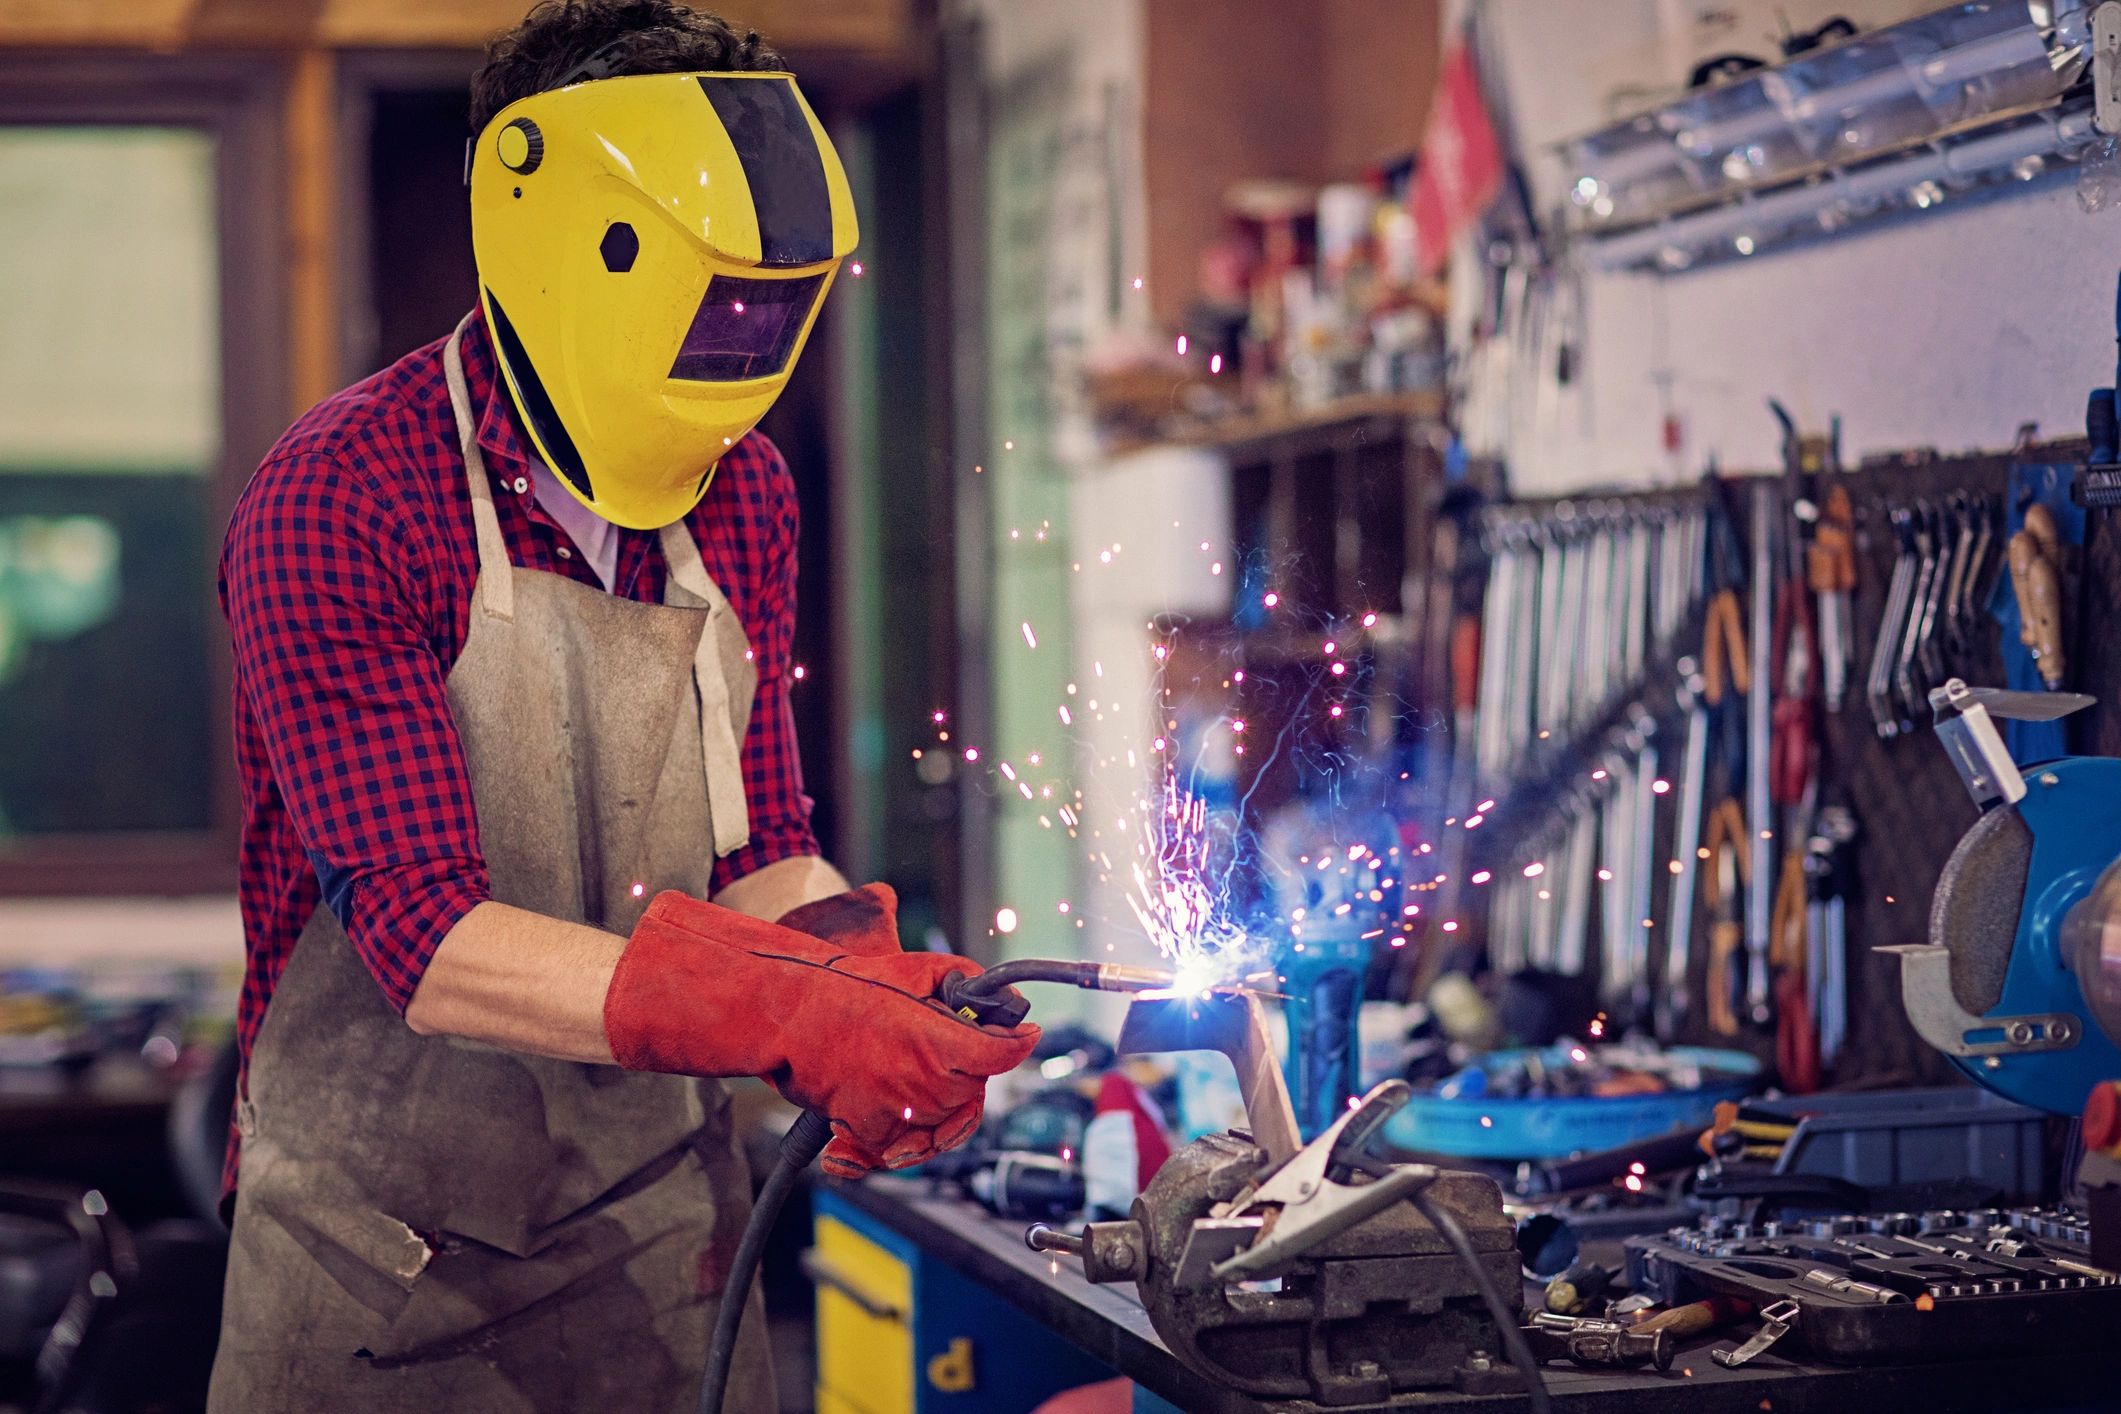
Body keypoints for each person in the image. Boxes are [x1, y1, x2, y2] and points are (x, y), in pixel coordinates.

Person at [206, 3, 1036, 1408]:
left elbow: (759, 838)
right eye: (718, 298)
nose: (742, 341)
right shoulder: (343, 492)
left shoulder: (743, 492)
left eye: (770, 304)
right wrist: (779, 1009)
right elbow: (426, 937)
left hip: (657, 1234)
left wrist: (865, 985)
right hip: (377, 1261)